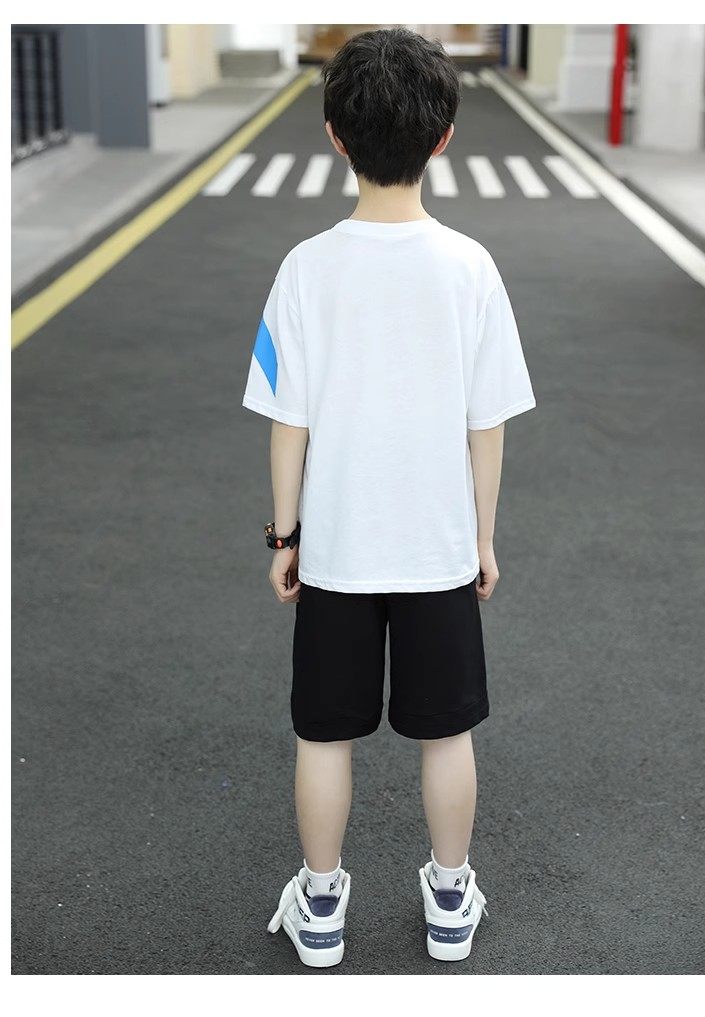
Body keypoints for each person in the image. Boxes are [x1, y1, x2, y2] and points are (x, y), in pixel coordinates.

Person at [244, 27, 535, 968]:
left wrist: (285, 537)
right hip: (437, 547)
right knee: (445, 731)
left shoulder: (304, 268)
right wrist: (482, 538)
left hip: (336, 548)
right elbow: (486, 424)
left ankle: (322, 905)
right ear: (443, 137)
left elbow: (288, 422)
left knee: (324, 733)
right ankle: (450, 899)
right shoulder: (471, 267)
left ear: (335, 136)